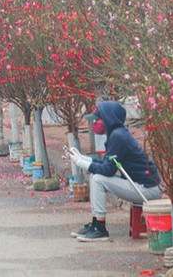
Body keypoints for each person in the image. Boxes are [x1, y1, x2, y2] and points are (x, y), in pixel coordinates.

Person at [69, 101, 162, 242]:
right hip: (142, 187)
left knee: (98, 179)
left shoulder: (118, 137)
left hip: (147, 191)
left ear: (108, 118)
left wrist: (81, 163)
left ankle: (100, 228)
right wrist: (85, 159)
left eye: (98, 119)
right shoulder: (117, 134)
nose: (96, 123)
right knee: (95, 175)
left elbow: (108, 170)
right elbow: (108, 163)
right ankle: (95, 222)